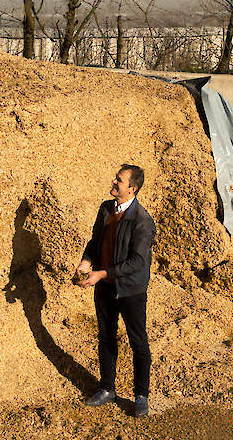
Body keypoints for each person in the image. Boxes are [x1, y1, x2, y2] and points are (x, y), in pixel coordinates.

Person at [75, 164, 156, 417]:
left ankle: (141, 395)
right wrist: (86, 262)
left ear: (132, 188)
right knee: (106, 337)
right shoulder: (105, 209)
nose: (114, 182)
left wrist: (101, 273)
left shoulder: (142, 221)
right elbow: (95, 241)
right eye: (116, 178)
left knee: (138, 342)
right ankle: (107, 388)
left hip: (130, 291)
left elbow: (137, 262)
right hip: (105, 289)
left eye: (119, 180)